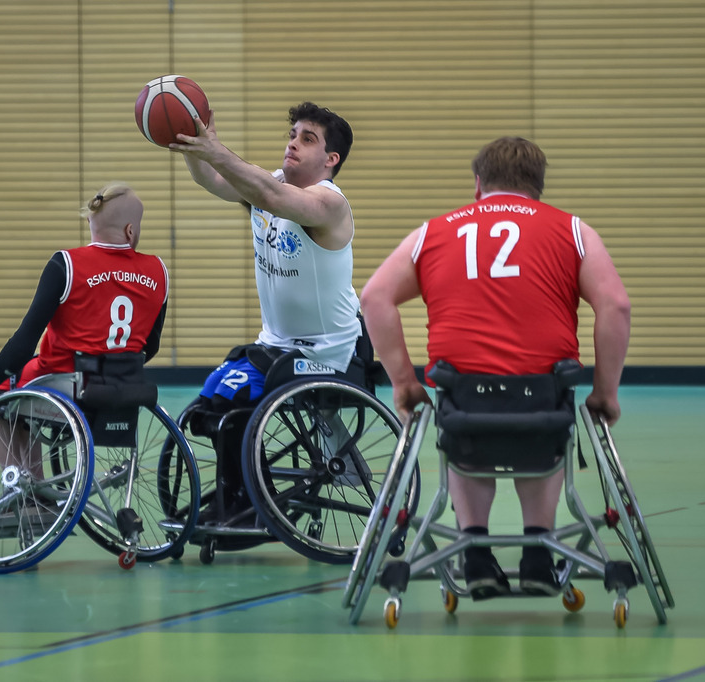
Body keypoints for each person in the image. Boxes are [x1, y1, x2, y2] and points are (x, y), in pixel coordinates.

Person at [360, 136, 631, 599]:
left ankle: (476, 553)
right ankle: (537, 556)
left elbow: (373, 297)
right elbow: (616, 306)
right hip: (544, 398)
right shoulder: (572, 231)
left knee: (467, 431)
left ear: (479, 183)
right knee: (541, 425)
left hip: (462, 397)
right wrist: (605, 392)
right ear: (538, 188)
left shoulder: (434, 232)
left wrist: (404, 383)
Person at [170, 102, 361, 511]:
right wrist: (190, 142)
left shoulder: (329, 204)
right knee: (214, 396)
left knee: (233, 399)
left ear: (331, 160)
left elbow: (269, 194)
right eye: (292, 135)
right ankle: (241, 493)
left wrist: (215, 148)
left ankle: (246, 503)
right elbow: (215, 181)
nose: (292, 143)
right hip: (275, 347)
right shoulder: (272, 184)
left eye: (306, 139)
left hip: (326, 352)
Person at [0, 183, 169, 439]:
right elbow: (151, 346)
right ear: (130, 230)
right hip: (123, 384)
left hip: (64, 384)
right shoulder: (158, 271)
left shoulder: (67, 264)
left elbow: (24, 343)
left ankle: (21, 474)